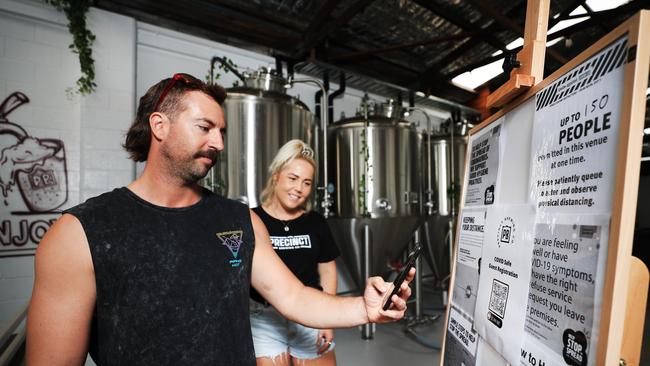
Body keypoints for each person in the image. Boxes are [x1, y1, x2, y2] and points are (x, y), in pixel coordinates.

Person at [26, 73, 415, 365]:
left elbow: (294, 297)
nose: (219, 144)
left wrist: (364, 309)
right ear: (159, 126)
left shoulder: (239, 220)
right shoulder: (80, 233)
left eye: (223, 131)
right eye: (205, 128)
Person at [250, 140, 339, 366]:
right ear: (276, 175)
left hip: (310, 313)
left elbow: (328, 272)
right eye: (293, 178)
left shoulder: (315, 222)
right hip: (264, 318)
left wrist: (326, 320)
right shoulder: (252, 219)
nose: (299, 188)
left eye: (306, 182)